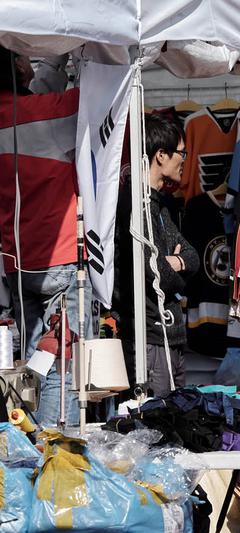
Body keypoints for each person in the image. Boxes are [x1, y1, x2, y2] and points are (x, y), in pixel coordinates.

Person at [0, 47, 90, 426]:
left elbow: (40, 93)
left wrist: (56, 63)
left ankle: (32, 441)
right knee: (60, 362)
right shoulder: (47, 112)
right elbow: (99, 101)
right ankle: (52, 449)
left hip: (16, 262)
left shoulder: (19, 113)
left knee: (34, 362)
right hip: (58, 258)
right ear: (19, 67)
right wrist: (72, 50)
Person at [115, 114, 199, 397]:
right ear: (161, 155)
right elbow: (154, 274)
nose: (184, 159)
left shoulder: (160, 204)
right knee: (156, 426)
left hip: (171, 336)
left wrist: (175, 263)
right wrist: (175, 267)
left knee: (177, 420)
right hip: (149, 336)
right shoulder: (134, 206)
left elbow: (193, 257)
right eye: (181, 153)